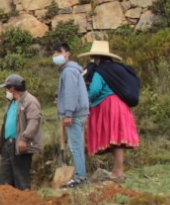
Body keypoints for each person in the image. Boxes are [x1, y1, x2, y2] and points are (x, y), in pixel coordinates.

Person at [80, 41, 140, 182]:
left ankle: (118, 172)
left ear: (98, 58)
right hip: (121, 105)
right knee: (117, 140)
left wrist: (85, 99)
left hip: (109, 106)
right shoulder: (117, 68)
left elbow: (95, 89)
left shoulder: (101, 71)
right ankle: (118, 170)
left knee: (115, 140)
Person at [0, 74, 42, 191]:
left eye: (7, 88)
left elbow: (34, 121)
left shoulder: (30, 101)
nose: (6, 91)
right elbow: (6, 123)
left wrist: (24, 139)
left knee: (21, 178)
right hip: (8, 144)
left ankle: (24, 203)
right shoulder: (11, 102)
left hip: (20, 145)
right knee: (5, 179)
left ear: (12, 89)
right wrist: (0, 141)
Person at [53, 42, 91, 188]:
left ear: (67, 54)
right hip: (80, 112)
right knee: (76, 144)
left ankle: (80, 177)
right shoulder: (73, 70)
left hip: (74, 114)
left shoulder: (68, 71)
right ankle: (80, 175)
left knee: (75, 146)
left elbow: (71, 93)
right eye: (54, 54)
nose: (56, 56)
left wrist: (68, 113)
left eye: (59, 53)